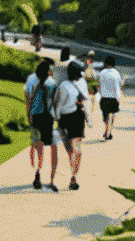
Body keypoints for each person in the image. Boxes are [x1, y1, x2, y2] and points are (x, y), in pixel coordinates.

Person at [25, 58, 59, 191]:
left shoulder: (34, 84)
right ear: (49, 71)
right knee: (51, 146)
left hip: (36, 117)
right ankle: (51, 179)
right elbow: (55, 102)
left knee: (38, 146)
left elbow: (29, 99)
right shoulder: (53, 84)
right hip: (48, 118)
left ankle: (37, 174)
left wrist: (29, 115)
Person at [53, 60, 88, 189]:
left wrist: (55, 117)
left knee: (70, 149)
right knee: (76, 148)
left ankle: (73, 171)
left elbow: (59, 105)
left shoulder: (63, 86)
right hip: (78, 116)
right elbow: (87, 99)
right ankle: (74, 176)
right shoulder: (82, 83)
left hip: (65, 118)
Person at [97, 57, 122, 139]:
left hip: (104, 97)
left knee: (105, 116)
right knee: (111, 116)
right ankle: (108, 131)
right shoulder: (116, 73)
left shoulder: (101, 73)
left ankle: (107, 131)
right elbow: (119, 85)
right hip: (114, 97)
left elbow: (99, 84)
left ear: (106, 63)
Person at [83, 52, 99, 123]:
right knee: (88, 105)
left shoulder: (92, 70)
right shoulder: (86, 69)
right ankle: (89, 119)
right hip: (87, 91)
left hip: (91, 91)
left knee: (91, 105)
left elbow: (95, 78)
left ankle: (90, 119)